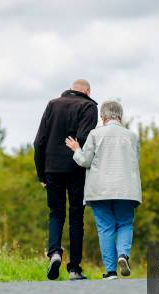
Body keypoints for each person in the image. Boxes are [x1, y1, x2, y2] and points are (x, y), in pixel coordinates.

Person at [65, 100, 142, 280]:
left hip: (100, 190)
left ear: (103, 116)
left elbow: (85, 161)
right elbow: (135, 161)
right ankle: (123, 254)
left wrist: (76, 149)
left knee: (105, 228)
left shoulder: (95, 134)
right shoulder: (132, 136)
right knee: (124, 223)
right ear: (120, 117)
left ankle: (110, 271)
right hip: (126, 189)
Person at [34, 79, 98, 281]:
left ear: (71, 89)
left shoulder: (53, 104)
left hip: (51, 168)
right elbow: (83, 138)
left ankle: (54, 253)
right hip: (76, 168)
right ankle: (74, 269)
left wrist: (41, 173)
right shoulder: (89, 106)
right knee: (76, 216)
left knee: (56, 213)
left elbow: (39, 142)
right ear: (87, 91)